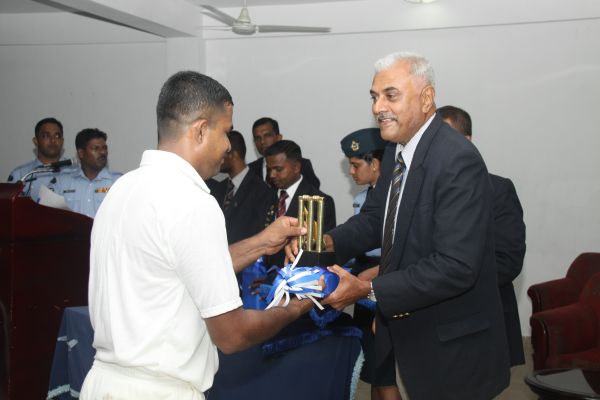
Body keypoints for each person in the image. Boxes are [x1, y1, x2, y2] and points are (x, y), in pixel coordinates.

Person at [80, 71, 315, 400]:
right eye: (226, 132)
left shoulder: (122, 189)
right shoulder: (192, 200)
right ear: (201, 130)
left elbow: (183, 268)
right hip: (159, 391)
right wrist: (297, 307)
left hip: (104, 383)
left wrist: (263, 241)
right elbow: (232, 335)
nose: (229, 146)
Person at [288, 52, 510, 399]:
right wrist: (324, 241)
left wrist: (367, 290)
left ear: (426, 98)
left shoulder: (457, 159)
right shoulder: (395, 150)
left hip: (449, 344)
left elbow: (456, 266)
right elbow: (377, 219)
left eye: (391, 95)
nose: (378, 107)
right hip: (405, 330)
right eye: (374, 97)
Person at [438, 104, 526, 367]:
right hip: (433, 326)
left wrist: (443, 281)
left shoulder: (497, 190)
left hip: (481, 321)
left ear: (466, 142)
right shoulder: (422, 192)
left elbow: (508, 261)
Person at [341, 128, 400, 400]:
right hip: (363, 281)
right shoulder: (364, 198)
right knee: (375, 372)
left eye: (356, 165)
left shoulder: (395, 198)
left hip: (383, 281)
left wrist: (374, 273)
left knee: (384, 374)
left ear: (375, 164)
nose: (351, 172)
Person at [264, 139, 335, 268]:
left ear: (296, 167)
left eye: (278, 169)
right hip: (265, 276)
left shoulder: (319, 202)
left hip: (302, 276)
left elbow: (323, 253)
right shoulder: (265, 197)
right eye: (269, 169)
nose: (272, 175)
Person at [207, 130, 277, 244]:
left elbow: (261, 237)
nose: (216, 158)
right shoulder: (218, 189)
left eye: (220, 153)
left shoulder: (262, 192)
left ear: (233, 154)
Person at [55, 128, 122, 218]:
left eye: (104, 148)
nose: (103, 152)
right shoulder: (62, 182)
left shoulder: (118, 182)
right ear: (81, 153)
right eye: (96, 148)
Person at [6, 117, 69, 202]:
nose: (53, 140)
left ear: (62, 141)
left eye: (57, 136)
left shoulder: (75, 172)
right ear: (36, 141)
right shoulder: (20, 174)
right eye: (46, 136)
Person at [248, 117, 321, 188]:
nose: (262, 141)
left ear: (279, 138)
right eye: (257, 138)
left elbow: (312, 192)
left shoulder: (301, 164)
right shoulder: (250, 169)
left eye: (267, 136)